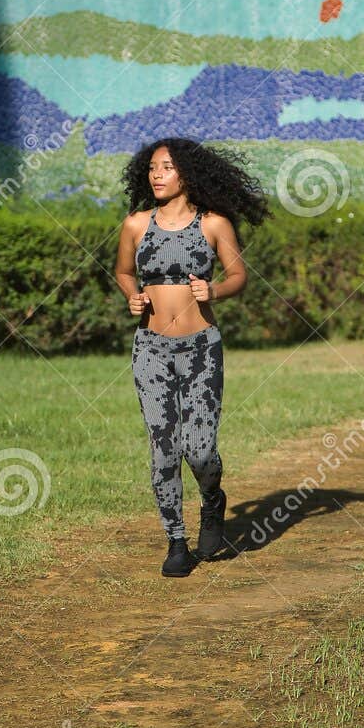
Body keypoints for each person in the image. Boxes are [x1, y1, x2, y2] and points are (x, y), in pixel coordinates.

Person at [114, 138, 270, 578]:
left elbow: (238, 274)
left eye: (165, 167)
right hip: (150, 350)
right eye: (151, 168)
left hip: (202, 348)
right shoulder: (136, 224)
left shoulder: (214, 224)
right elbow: (124, 271)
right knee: (164, 450)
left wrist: (214, 289)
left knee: (198, 450)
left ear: (187, 174)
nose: (156, 174)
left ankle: (213, 501)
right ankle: (176, 541)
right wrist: (133, 295)